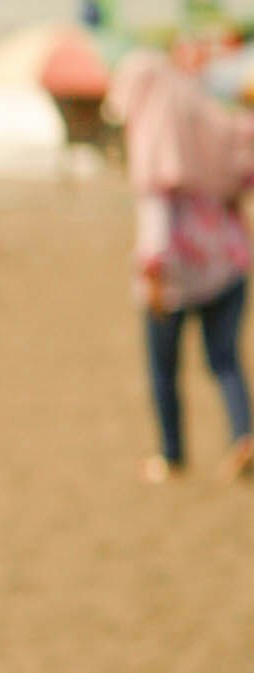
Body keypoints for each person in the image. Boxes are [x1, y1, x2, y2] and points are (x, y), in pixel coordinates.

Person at [107, 46, 254, 483]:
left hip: (175, 276)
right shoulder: (208, 125)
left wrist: (153, 275)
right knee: (225, 359)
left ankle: (171, 456)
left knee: (164, 369)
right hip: (228, 263)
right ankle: (243, 435)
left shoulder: (155, 140)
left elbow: (156, 218)